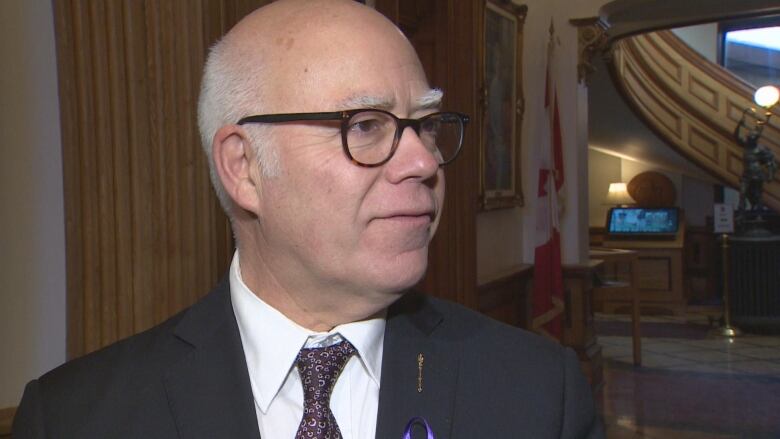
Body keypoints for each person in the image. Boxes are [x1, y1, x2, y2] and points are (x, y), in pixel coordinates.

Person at [13, 1, 603, 438]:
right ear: (244, 168)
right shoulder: (76, 417)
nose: (425, 160)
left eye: (424, 123)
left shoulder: (538, 394)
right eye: (366, 126)